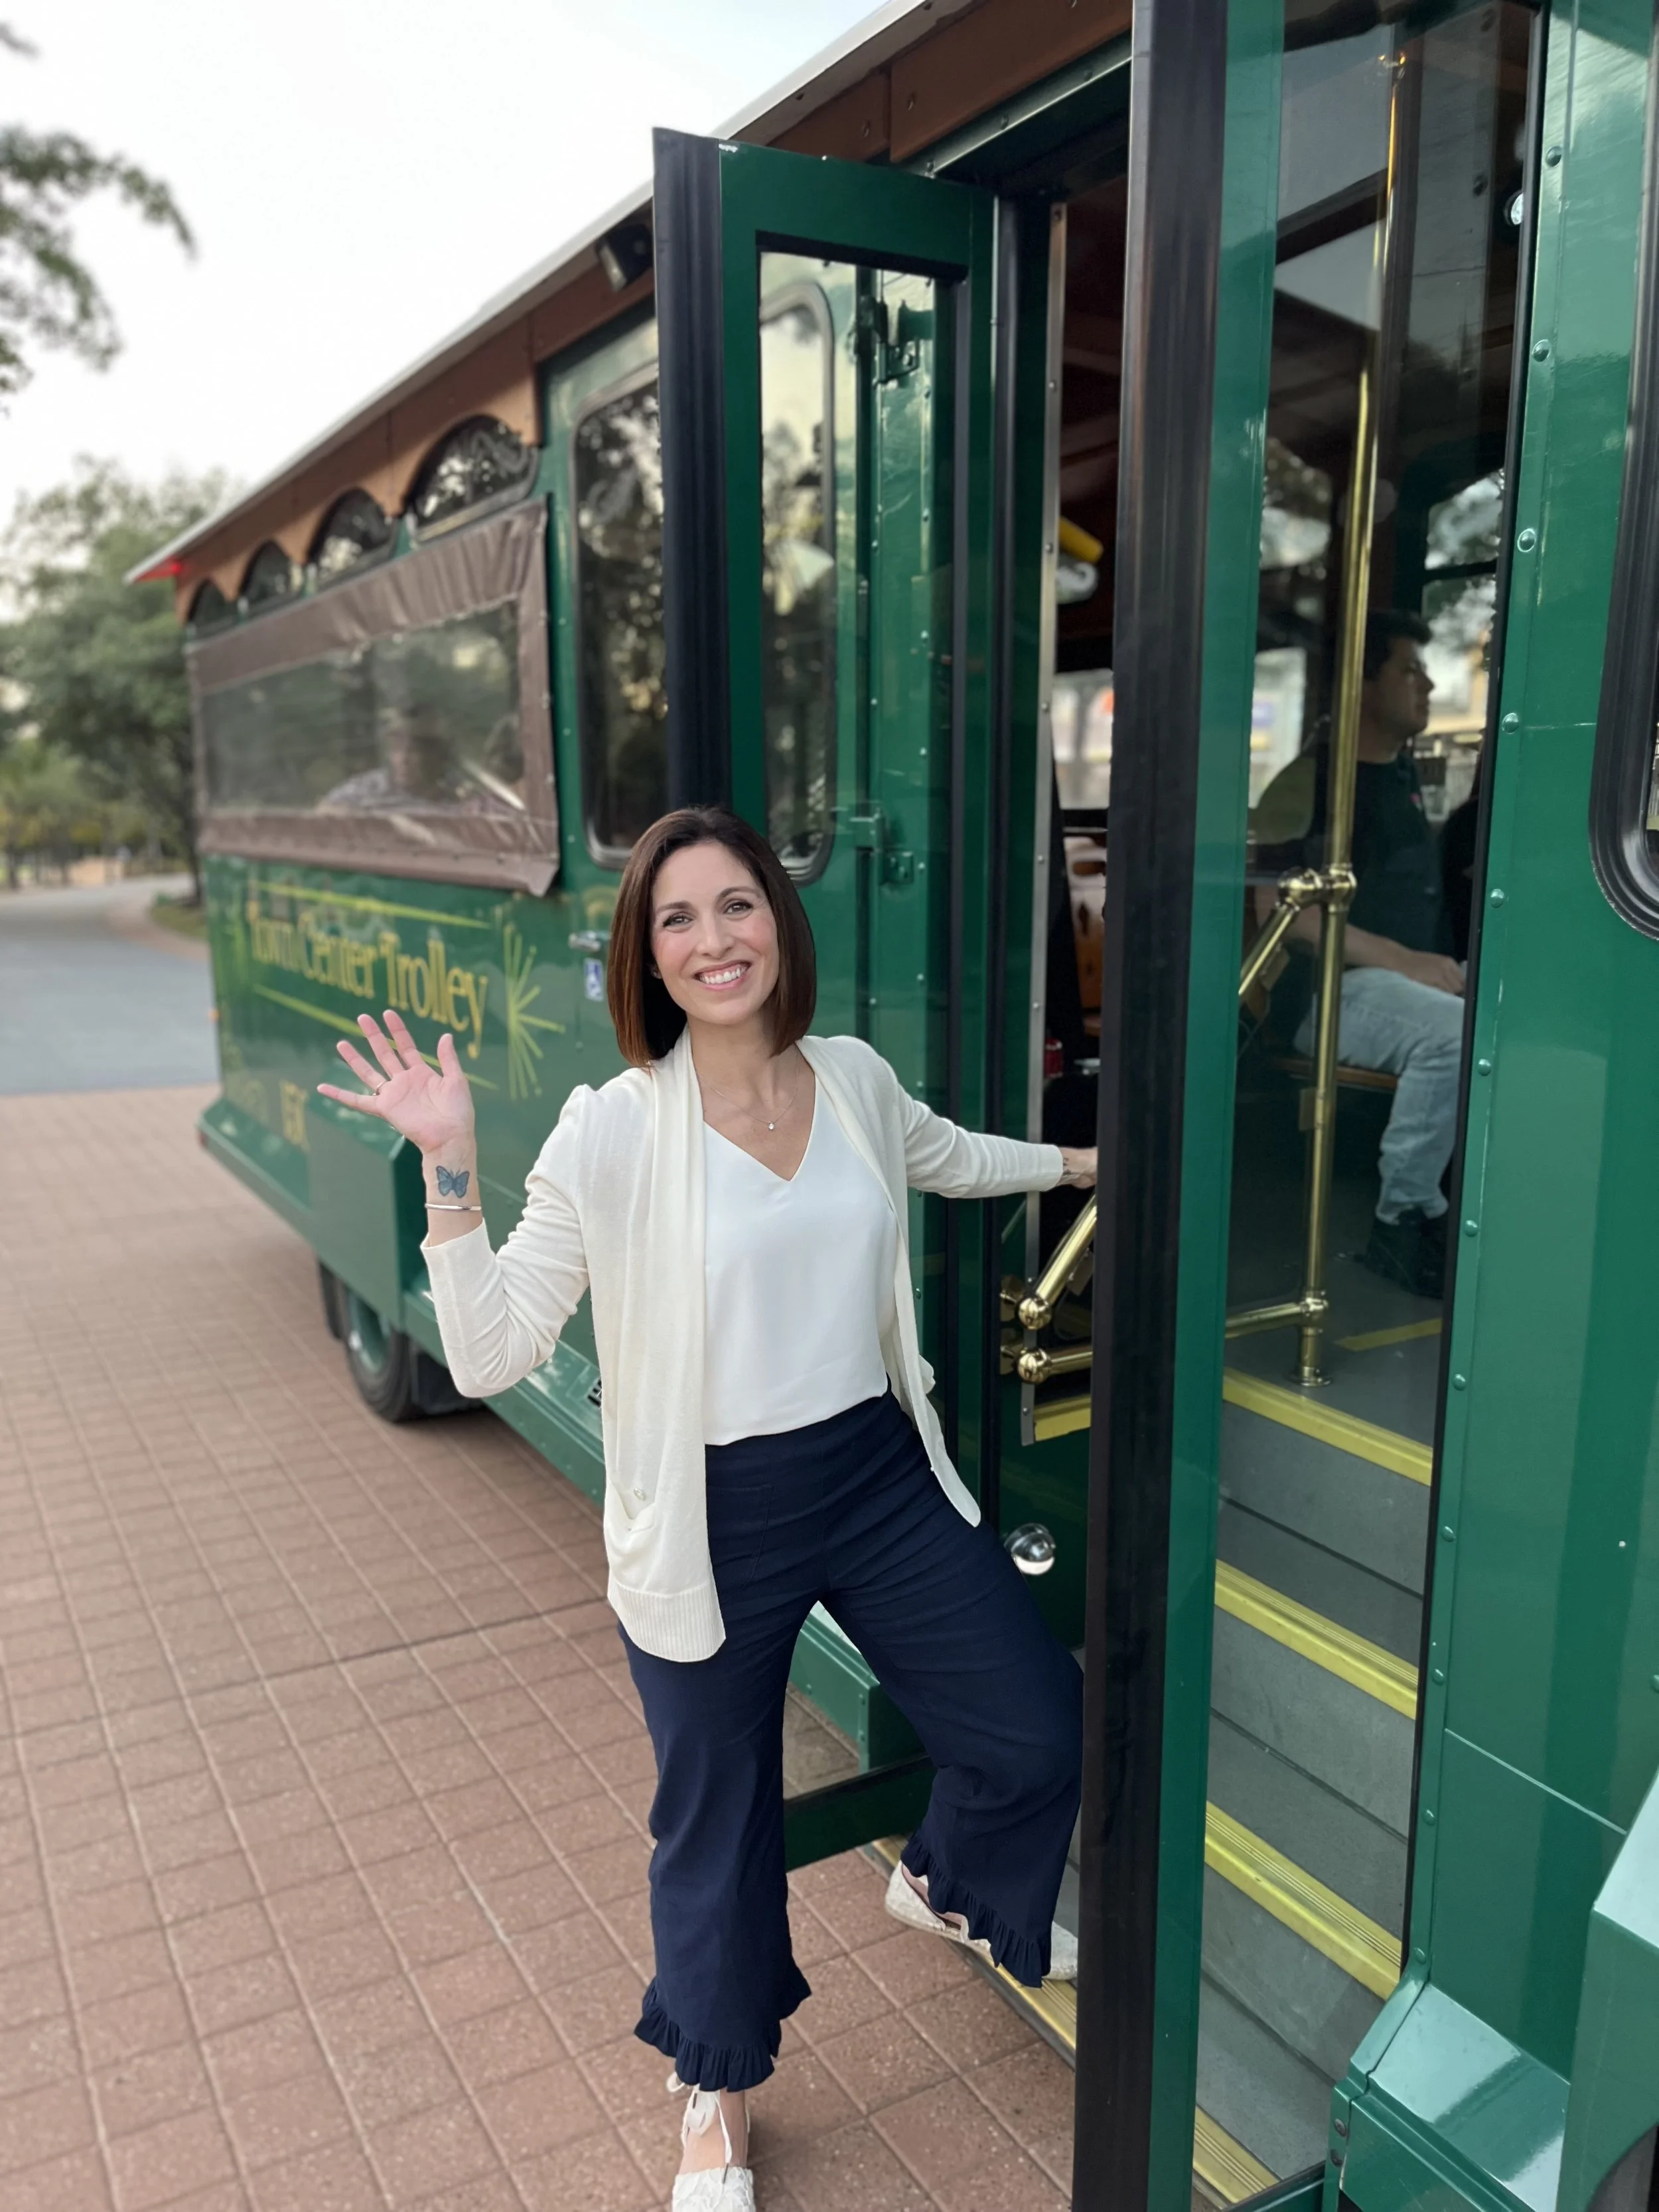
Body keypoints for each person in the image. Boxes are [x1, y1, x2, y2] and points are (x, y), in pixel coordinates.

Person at [318, 806, 1091, 2212]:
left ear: (777, 924)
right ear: (647, 955)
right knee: (715, 1821)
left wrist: (1084, 1167)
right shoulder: (612, 1130)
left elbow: (951, 1156)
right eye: (675, 918)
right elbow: (488, 1352)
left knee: (1034, 1723)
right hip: (710, 1507)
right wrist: (447, 1168)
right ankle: (714, 2095)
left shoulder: (850, 1078)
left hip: (871, 1468)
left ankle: (948, 1880)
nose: (710, 938)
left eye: (734, 905)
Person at [1254, 610, 1464, 1299]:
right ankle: (1402, 1220)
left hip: (1395, 988)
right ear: (1362, 687)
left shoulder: (1399, 780)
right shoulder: (1310, 784)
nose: (1428, 683)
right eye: (1408, 669)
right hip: (1322, 994)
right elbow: (1280, 912)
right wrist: (1406, 962)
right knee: (1454, 1039)